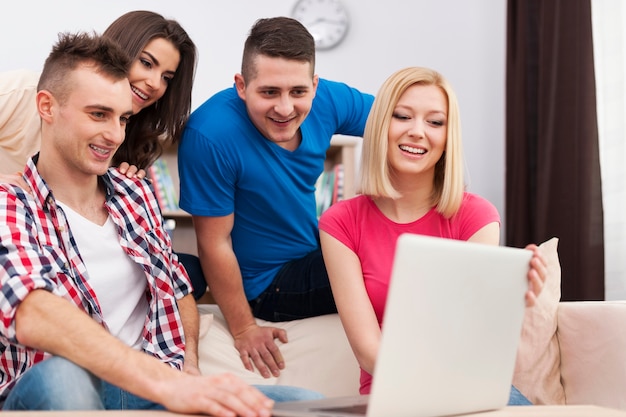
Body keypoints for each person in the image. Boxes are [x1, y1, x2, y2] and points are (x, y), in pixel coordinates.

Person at [0, 31, 321, 413]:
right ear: (47, 107)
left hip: (151, 390)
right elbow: (32, 310)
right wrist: (165, 384)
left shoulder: (136, 193)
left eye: (122, 118)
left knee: (304, 403)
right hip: (58, 386)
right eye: (98, 114)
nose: (114, 134)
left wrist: (188, 371)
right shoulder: (12, 203)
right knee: (63, 376)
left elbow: (176, 286)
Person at [318, 67, 547, 405]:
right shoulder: (340, 222)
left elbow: (469, 337)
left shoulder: (476, 216)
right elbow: (369, 353)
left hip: (468, 392)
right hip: (392, 396)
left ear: (447, 136)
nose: (417, 132)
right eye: (402, 116)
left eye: (435, 122)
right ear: (381, 124)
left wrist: (508, 301)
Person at [177, 16, 374, 379]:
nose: (285, 108)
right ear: (241, 85)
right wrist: (244, 328)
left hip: (312, 251)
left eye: (298, 92)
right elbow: (214, 244)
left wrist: (383, 188)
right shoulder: (210, 135)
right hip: (268, 284)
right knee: (383, 266)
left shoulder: (328, 99)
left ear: (314, 86)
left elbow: (399, 124)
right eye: (269, 92)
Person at [0, 10, 206, 299]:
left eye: (167, 77)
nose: (154, 83)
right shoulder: (22, 92)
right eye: (146, 63)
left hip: (72, 247)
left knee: (189, 271)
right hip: (19, 239)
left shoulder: (129, 141)